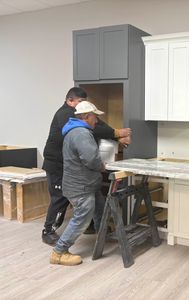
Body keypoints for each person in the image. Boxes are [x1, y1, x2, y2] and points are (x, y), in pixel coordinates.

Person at [42, 87, 131, 245]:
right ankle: (48, 230)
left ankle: (92, 225)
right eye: (80, 102)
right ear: (70, 101)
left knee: (92, 198)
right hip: (56, 164)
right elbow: (94, 129)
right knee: (60, 198)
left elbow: (96, 124)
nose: (83, 105)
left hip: (70, 164)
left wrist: (115, 136)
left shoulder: (81, 117)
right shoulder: (66, 114)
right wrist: (116, 133)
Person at [50, 101, 106, 266]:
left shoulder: (74, 130)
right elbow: (91, 159)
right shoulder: (81, 133)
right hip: (81, 186)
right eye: (95, 117)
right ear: (87, 116)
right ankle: (59, 252)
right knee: (81, 218)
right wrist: (101, 165)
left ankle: (104, 237)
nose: (97, 121)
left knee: (101, 210)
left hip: (86, 184)